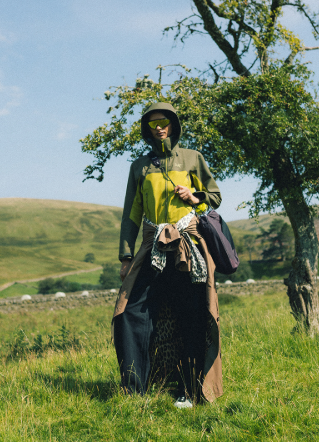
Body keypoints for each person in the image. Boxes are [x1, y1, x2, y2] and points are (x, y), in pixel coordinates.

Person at [112, 102, 223, 408]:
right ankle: (134, 390)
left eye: (164, 121)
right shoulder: (139, 166)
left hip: (188, 246)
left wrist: (194, 196)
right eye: (152, 123)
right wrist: (126, 257)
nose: (159, 127)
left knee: (192, 314)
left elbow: (214, 197)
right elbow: (131, 213)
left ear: (173, 124)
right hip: (153, 247)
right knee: (130, 313)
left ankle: (191, 389)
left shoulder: (192, 158)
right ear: (147, 129)